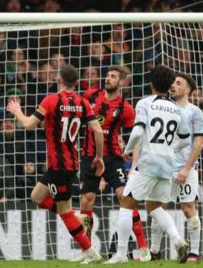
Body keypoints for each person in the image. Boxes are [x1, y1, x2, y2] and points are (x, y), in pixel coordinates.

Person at [6, 64, 103, 264]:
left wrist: (17, 110)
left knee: (64, 211)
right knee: (37, 196)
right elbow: (99, 131)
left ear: (59, 79)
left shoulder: (51, 100)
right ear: (76, 82)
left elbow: (27, 125)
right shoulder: (83, 102)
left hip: (58, 166)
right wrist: (99, 156)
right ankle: (78, 219)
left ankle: (90, 250)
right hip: (70, 163)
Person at [106, 65, 190, 264]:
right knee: (154, 206)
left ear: (151, 83)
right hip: (167, 165)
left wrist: (127, 150)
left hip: (148, 162)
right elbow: (186, 139)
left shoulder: (145, 103)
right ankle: (178, 241)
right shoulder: (176, 108)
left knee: (126, 203)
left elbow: (136, 132)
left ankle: (120, 255)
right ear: (169, 86)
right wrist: (171, 150)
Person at [77, 66, 151, 262]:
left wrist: (134, 162)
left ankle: (143, 248)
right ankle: (87, 251)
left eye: (113, 77)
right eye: (108, 75)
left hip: (113, 159)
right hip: (89, 157)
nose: (108, 79)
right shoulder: (91, 96)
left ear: (122, 82)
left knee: (124, 197)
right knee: (87, 200)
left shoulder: (126, 108)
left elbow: (134, 137)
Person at [150, 73, 203, 262]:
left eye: (178, 83)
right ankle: (154, 252)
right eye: (173, 83)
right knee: (158, 207)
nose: (173, 86)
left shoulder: (195, 112)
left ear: (188, 89)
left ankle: (195, 252)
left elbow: (198, 144)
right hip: (164, 167)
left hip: (186, 168)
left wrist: (185, 169)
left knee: (187, 207)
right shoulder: (165, 108)